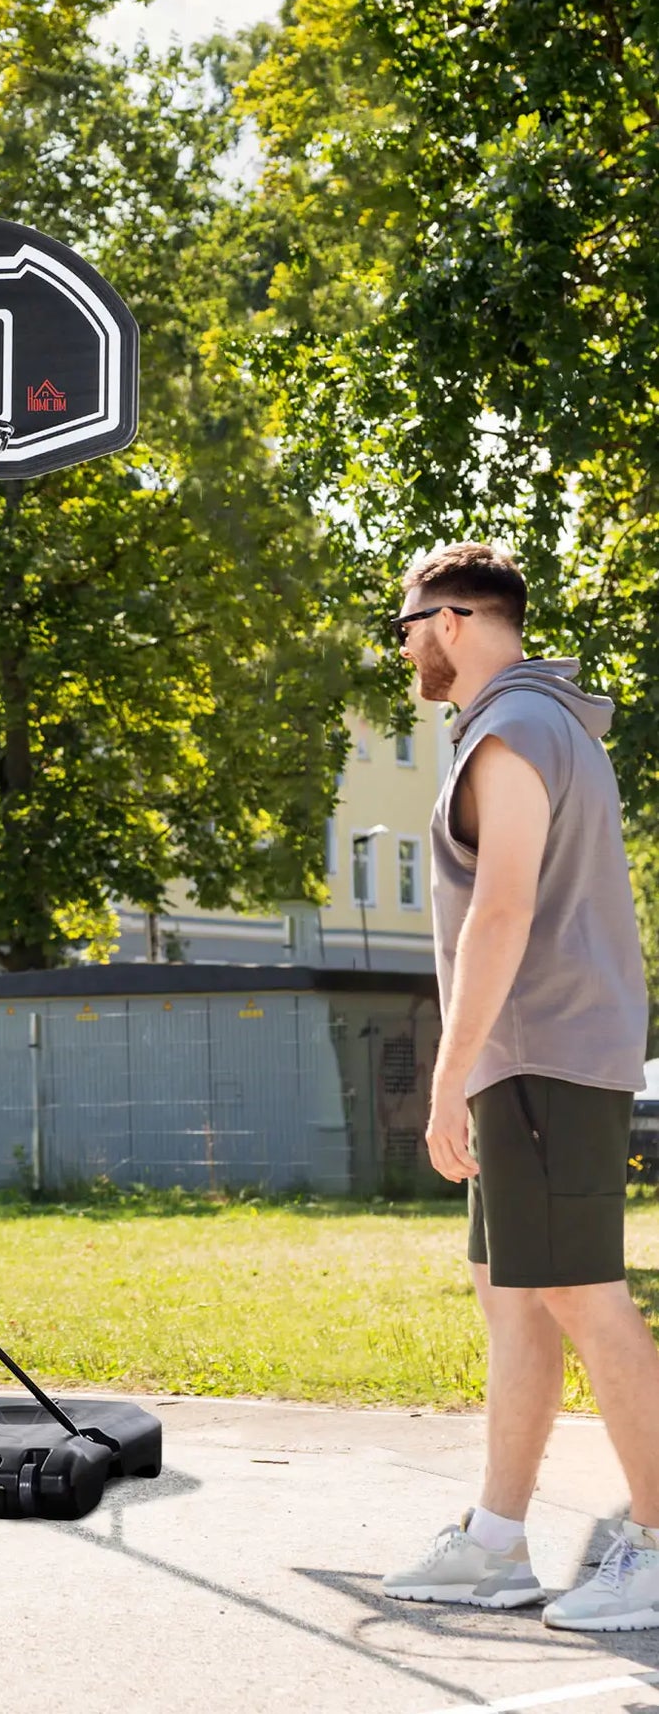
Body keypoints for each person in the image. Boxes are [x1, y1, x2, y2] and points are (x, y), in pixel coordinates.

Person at [381, 543, 659, 1629]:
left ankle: (653, 1540)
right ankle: (496, 1539)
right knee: (516, 1300)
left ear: (449, 620)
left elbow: (500, 911)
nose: (399, 646)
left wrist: (444, 1079)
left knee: (583, 1295)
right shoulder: (549, 725)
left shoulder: (510, 730)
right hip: (529, 1054)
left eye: (401, 626)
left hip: (537, 1049)